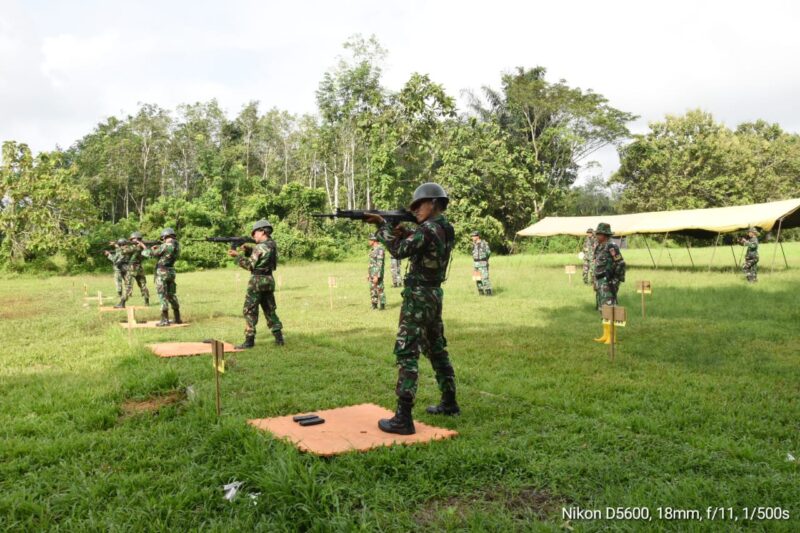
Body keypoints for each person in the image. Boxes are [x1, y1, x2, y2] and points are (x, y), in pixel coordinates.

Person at [364, 182, 459, 435]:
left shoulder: (427, 229)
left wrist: (382, 226)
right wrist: (402, 229)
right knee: (436, 349)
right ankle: (449, 402)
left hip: (418, 296)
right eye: (413, 206)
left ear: (435, 204)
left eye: (420, 204)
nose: (415, 209)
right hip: (433, 294)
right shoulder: (445, 227)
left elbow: (398, 251)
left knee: (407, 352)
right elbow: (420, 243)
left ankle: (403, 418)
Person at [228, 219, 284, 348]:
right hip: (268, 280)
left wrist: (237, 256)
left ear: (262, 231)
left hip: (257, 281)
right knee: (270, 310)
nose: (253, 236)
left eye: (255, 233)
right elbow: (263, 256)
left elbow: (250, 265)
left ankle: (249, 340)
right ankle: (279, 338)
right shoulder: (272, 244)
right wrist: (249, 250)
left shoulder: (259, 247)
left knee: (250, 310)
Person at [140, 228, 181, 326]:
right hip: (171, 271)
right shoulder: (177, 246)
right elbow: (164, 252)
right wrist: (157, 247)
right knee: (171, 295)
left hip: (162, 272)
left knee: (162, 295)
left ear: (164, 237)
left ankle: (165, 320)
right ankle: (177, 318)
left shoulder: (165, 246)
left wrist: (144, 247)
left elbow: (149, 254)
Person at [592, 223, 626, 343]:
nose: (597, 235)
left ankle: (612, 336)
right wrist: (594, 281)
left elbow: (620, 263)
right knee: (603, 308)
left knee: (610, 308)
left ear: (605, 234)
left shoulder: (612, 246)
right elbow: (596, 265)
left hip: (608, 282)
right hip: (600, 281)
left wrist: (615, 279)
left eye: (599, 233)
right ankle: (605, 334)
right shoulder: (599, 247)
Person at [122, 231, 150, 306]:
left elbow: (124, 251)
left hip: (132, 268)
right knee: (143, 285)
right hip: (139, 268)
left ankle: (122, 302)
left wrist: (123, 246)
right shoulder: (142, 247)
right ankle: (146, 301)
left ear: (135, 239)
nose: (131, 241)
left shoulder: (135, 247)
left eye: (132, 239)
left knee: (128, 285)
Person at [104, 239, 129, 308]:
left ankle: (121, 298)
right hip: (127, 268)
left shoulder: (121, 250)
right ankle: (122, 299)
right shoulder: (128, 248)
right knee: (127, 285)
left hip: (119, 269)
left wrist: (108, 254)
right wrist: (115, 245)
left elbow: (114, 259)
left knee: (119, 284)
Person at [368, 234, 386, 310]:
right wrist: (368, 274)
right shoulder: (372, 249)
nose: (368, 241)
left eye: (370, 240)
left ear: (374, 240)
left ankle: (382, 305)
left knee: (379, 288)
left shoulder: (380, 249)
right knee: (372, 288)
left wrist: (376, 275)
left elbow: (379, 263)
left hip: (377, 273)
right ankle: (374, 304)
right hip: (372, 272)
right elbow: (371, 263)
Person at [471, 231, 492, 295]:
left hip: (483, 263)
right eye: (472, 236)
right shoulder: (473, 245)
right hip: (476, 264)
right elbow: (472, 253)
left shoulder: (484, 243)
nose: (472, 237)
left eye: (473, 236)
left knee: (485, 278)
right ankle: (481, 292)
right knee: (477, 279)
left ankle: (488, 292)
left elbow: (488, 252)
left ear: (477, 236)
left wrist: (485, 259)